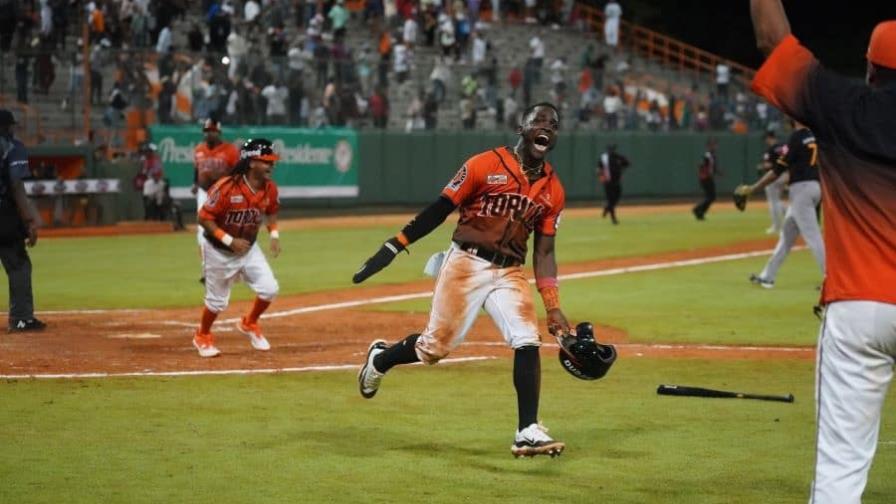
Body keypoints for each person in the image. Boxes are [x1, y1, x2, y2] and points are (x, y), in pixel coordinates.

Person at [353, 103, 570, 458]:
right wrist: (396, 244)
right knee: (433, 349)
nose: (547, 126)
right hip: (467, 263)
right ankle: (380, 359)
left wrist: (554, 306)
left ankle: (526, 430)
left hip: (509, 271)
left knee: (527, 338)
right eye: (540, 120)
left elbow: (544, 252)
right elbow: (440, 209)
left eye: (554, 124)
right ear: (522, 127)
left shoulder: (553, 189)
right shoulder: (484, 164)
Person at [749, 2, 896, 502]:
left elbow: (774, 43)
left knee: (840, 471)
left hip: (858, 308)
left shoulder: (844, 104)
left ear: (872, 68)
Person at [193, 138, 282, 358]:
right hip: (218, 250)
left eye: (272, 161)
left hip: (249, 249)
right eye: (266, 161)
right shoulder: (226, 187)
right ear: (251, 163)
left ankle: (249, 323)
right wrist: (228, 240)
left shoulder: (269, 188)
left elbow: (271, 210)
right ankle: (202, 335)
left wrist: (273, 234)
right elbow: (204, 217)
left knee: (270, 288)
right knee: (216, 302)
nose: (271, 165)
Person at [738, 122, 824, 288]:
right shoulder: (814, 135)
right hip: (815, 187)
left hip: (801, 190)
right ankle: (768, 276)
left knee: (813, 237)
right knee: (787, 236)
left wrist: (754, 188)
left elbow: (777, 169)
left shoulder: (796, 138)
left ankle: (832, 280)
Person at [0, 109, 45, 333]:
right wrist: (29, 220)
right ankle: (21, 319)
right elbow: (17, 186)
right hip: (3, 214)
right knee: (18, 265)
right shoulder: (12, 147)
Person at [193, 119, 240, 284]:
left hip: (223, 193)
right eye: (206, 131)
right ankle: (207, 269)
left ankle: (234, 268)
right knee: (202, 231)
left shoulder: (230, 150)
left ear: (218, 132)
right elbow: (196, 169)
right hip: (204, 194)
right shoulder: (199, 149)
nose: (209, 134)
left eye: (212, 131)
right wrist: (194, 183)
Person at [758, 130, 787, 234]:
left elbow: (768, 165)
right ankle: (789, 212)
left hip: (773, 176)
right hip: (784, 175)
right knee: (777, 200)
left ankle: (776, 226)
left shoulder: (770, 149)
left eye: (766, 138)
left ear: (769, 137)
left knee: (772, 202)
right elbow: (788, 158)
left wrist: (761, 166)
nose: (766, 140)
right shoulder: (784, 146)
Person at [598, 144, 630, 224]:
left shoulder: (617, 157)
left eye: (612, 150)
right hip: (608, 183)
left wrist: (621, 166)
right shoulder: (604, 158)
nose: (611, 151)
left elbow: (627, 163)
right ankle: (613, 219)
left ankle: (607, 208)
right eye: (610, 150)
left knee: (616, 197)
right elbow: (599, 168)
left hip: (616, 182)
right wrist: (601, 176)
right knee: (610, 199)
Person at [692, 137, 720, 220]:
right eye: (712, 145)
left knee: (711, 197)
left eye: (715, 145)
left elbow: (713, 168)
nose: (714, 146)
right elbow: (702, 166)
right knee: (711, 197)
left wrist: (718, 172)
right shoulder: (707, 155)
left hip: (708, 178)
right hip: (705, 178)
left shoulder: (712, 156)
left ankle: (700, 212)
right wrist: (705, 173)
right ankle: (697, 209)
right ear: (708, 146)